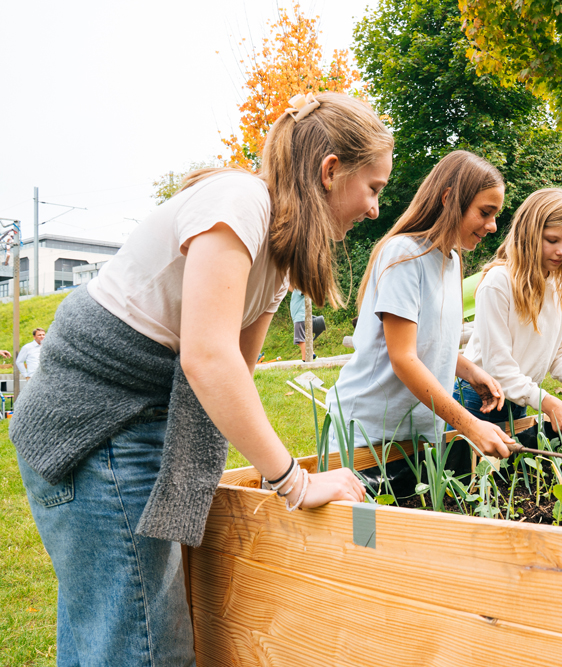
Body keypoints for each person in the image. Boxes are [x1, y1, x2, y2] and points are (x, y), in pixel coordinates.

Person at [11, 92, 387, 666]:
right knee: (143, 648)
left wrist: (281, 474)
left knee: (105, 639)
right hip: (95, 434)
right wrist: (295, 482)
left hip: (123, 430)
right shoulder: (240, 202)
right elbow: (207, 361)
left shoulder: (277, 255)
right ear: (331, 171)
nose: (375, 208)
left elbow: (235, 376)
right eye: (374, 188)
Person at [327, 150, 515, 462]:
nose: (493, 226)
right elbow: (403, 358)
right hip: (369, 435)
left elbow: (428, 342)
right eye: (485, 212)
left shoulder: (451, 261)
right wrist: (470, 425)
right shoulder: (404, 254)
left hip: (416, 436)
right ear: (449, 199)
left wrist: (470, 372)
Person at [458, 188, 562, 438]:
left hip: (520, 401)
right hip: (476, 402)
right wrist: (549, 403)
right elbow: (499, 369)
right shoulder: (499, 283)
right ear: (529, 235)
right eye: (552, 240)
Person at [290, 288, 327, 361]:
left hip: (300, 318)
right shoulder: (296, 290)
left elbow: (304, 290)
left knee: (300, 340)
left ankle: (306, 359)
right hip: (299, 318)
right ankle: (312, 355)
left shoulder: (299, 288)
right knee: (299, 340)